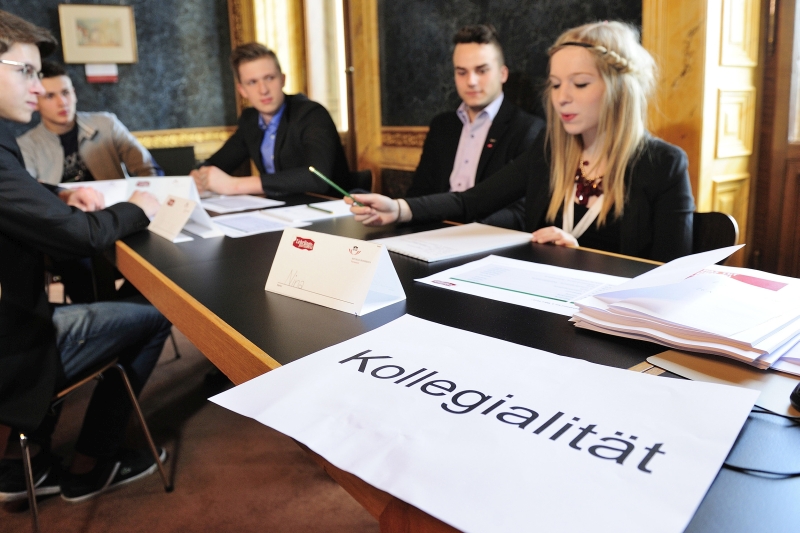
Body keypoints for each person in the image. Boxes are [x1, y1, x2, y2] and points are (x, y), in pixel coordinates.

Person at [0, 10, 172, 504]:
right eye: (26, 72)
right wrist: (138, 208)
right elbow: (80, 236)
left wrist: (56, 193)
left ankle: (22, 463)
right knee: (159, 315)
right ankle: (92, 463)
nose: (39, 88)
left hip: (14, 320)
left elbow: (17, 194)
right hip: (16, 346)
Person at [348, 21, 695, 263]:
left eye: (580, 83)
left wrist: (584, 257)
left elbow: (671, 278)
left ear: (621, 90)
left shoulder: (664, 164)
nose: (562, 97)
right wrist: (399, 208)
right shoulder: (550, 149)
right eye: (556, 84)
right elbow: (472, 201)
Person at [407, 24, 544, 229]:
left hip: (486, 236)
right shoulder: (442, 126)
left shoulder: (528, 130)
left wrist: (466, 230)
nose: (471, 81)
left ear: (503, 74)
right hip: (430, 232)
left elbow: (522, 213)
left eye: (481, 71)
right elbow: (418, 193)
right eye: (461, 72)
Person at [191, 42, 353, 197]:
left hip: (329, 207)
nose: (263, 90)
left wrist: (235, 185)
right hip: (283, 209)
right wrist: (200, 175)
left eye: (269, 78)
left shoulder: (311, 114)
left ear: (282, 79)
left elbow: (317, 178)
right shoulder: (250, 120)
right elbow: (217, 163)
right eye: (252, 82)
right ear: (242, 90)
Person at [16, 60, 158, 185]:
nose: (62, 102)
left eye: (65, 93)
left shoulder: (106, 124)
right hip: (60, 207)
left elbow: (148, 168)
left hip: (116, 204)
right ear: (35, 102)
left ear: (74, 94)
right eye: (50, 96)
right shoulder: (26, 146)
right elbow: (28, 192)